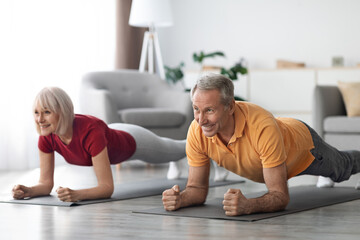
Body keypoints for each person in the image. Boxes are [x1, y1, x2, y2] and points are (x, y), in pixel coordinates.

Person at [162, 73, 360, 216]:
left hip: (303, 146)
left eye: (210, 110)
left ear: (230, 106)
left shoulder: (261, 127)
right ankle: (326, 178)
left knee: (343, 168)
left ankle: (329, 173)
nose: (200, 119)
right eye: (196, 109)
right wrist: (181, 199)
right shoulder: (197, 130)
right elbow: (197, 188)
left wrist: (248, 206)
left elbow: (280, 196)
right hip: (277, 138)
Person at [12, 87, 186, 202]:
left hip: (132, 141)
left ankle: (203, 142)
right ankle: (176, 160)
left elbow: (106, 188)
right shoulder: (47, 136)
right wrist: (28, 190)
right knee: (172, 150)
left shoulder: (90, 132)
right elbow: (45, 184)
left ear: (62, 111)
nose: (39, 119)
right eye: (36, 113)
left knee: (175, 149)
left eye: (46, 112)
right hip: (109, 133)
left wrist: (77, 194)